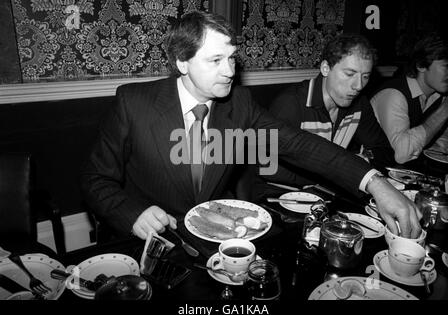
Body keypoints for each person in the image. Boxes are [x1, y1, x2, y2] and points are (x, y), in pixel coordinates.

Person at [80, 11, 421, 241]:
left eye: (231, 57)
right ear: (181, 62)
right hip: (150, 239)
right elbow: (96, 179)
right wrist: (131, 213)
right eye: (215, 60)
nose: (230, 70)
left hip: (215, 239)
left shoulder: (239, 104)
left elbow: (300, 145)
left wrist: (374, 182)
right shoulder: (133, 102)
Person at [250, 34, 394, 199]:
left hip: (327, 194)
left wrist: (359, 161)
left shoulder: (359, 104)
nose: (358, 85)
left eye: (365, 76)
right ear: (325, 68)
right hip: (279, 195)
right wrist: (341, 170)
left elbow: (384, 152)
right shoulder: (291, 103)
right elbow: (266, 167)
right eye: (349, 74)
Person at [370, 33, 448, 165]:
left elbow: (442, 142)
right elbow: (401, 154)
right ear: (421, 65)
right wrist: (444, 111)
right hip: (370, 172)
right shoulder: (393, 95)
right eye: (446, 66)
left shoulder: (438, 97)